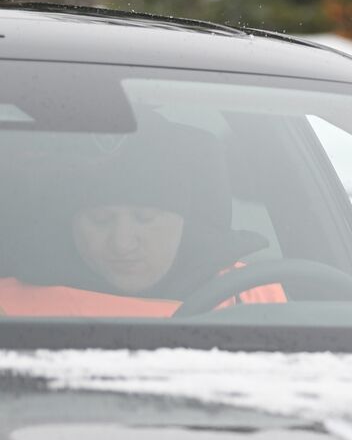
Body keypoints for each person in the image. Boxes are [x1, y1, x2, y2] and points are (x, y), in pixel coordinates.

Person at [0, 114, 284, 316]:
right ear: (70, 222)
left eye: (145, 218)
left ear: (184, 220)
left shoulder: (249, 293)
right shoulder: (9, 305)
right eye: (100, 220)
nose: (122, 243)